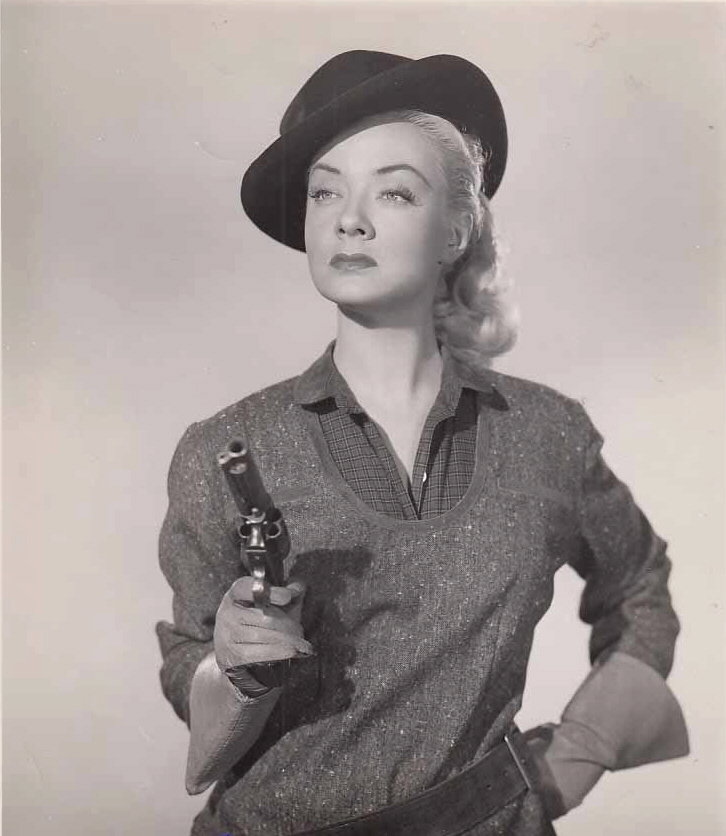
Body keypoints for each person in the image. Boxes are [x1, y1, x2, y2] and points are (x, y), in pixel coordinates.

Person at [156, 51, 689, 836]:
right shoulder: (226, 448)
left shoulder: (547, 433)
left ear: (457, 229)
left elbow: (640, 586)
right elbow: (187, 661)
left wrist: (571, 763)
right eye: (325, 191)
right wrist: (228, 665)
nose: (349, 219)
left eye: (394, 191)